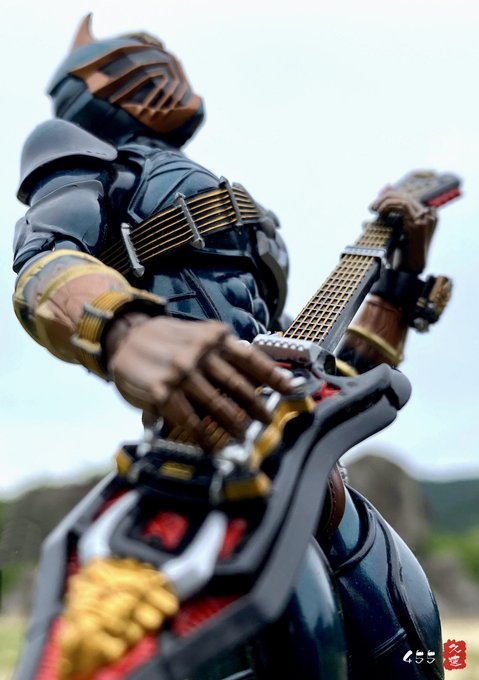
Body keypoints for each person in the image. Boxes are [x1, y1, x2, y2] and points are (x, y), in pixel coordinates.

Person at [13, 15, 446, 680]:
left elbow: (337, 376)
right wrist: (124, 327)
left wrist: (397, 286)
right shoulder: (84, 156)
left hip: (316, 478)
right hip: (201, 463)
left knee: (411, 640)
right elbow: (43, 259)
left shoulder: (229, 204)